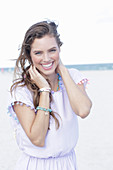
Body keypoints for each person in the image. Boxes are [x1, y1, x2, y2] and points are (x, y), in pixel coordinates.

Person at [8, 20, 92, 170]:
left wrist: (63, 71)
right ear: (29, 55)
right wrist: (44, 90)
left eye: (52, 50)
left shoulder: (72, 77)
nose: (46, 59)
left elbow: (83, 110)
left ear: (59, 49)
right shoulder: (21, 90)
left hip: (67, 163)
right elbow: (38, 139)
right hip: (35, 165)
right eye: (38, 53)